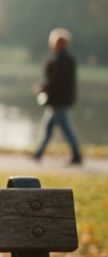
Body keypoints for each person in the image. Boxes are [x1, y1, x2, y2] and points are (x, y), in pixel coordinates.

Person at [34, 28, 82, 164]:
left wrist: (42, 87)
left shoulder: (62, 60)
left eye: (54, 41)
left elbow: (56, 80)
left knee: (65, 128)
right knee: (48, 127)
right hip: (59, 100)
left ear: (60, 43)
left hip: (59, 100)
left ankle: (77, 156)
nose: (52, 44)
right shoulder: (62, 58)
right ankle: (38, 154)